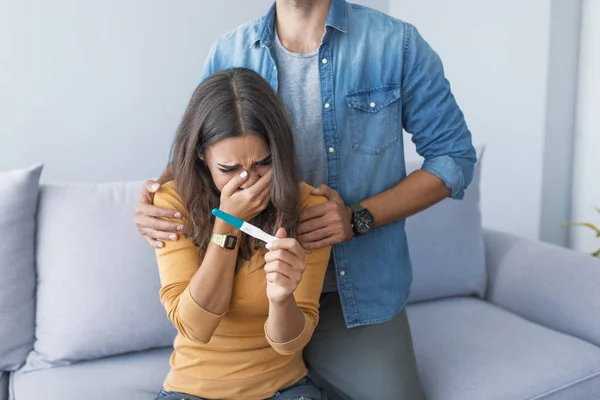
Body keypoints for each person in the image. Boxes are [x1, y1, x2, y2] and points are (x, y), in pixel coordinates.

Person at [135, 1, 477, 398]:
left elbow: (454, 159)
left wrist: (356, 219)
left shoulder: (396, 44)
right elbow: (199, 151)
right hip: (247, 295)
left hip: (356, 294)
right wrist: (155, 196)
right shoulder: (229, 50)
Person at [153, 68, 331, 400]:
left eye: (264, 162)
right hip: (193, 390)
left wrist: (282, 298)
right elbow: (195, 326)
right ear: (201, 156)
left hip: (283, 387)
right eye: (229, 169)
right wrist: (228, 226)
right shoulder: (171, 203)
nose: (248, 180)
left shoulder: (309, 208)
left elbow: (289, 343)